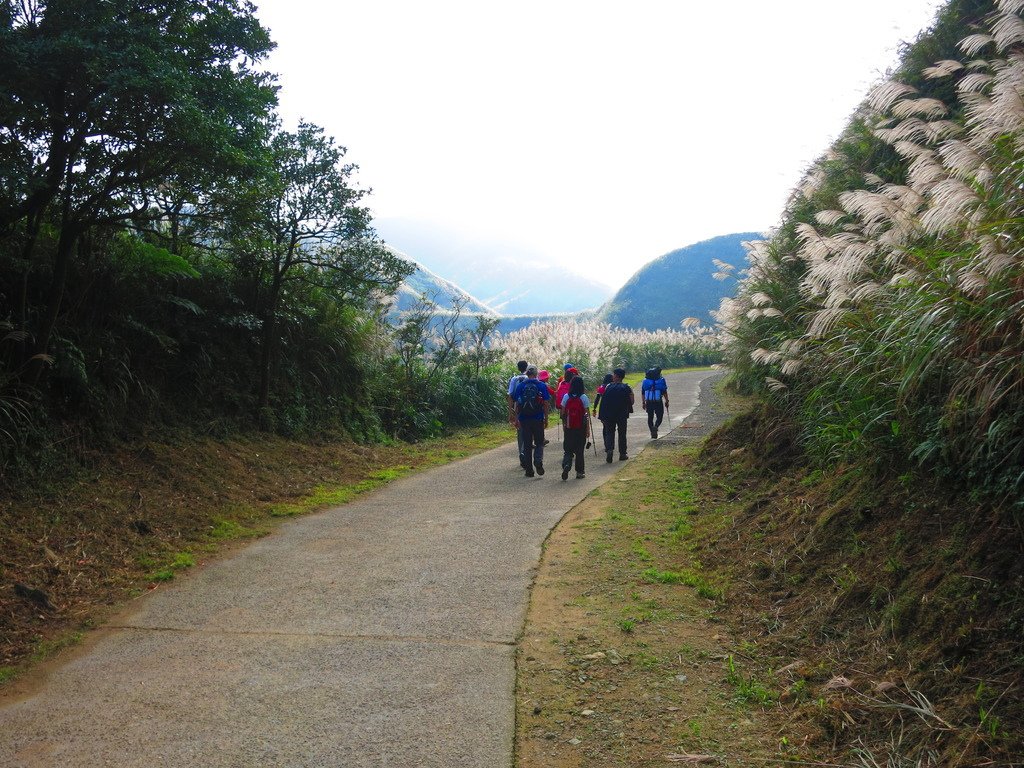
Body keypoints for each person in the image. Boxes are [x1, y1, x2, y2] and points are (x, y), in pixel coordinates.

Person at [513, 365, 551, 477]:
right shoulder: (541, 385)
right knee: (539, 442)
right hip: (537, 418)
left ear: (527, 374)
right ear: (536, 374)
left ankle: (529, 470)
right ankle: (538, 460)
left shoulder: (521, 386)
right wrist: (546, 418)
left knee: (528, 444)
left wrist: (516, 419)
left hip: (524, 419)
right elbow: (546, 403)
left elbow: (517, 403)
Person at [597, 367, 634, 462]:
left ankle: (609, 449)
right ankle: (622, 454)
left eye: (614, 375)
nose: (612, 376)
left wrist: (602, 416)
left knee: (610, 432)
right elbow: (632, 402)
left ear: (616, 376)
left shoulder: (608, 387)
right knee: (622, 433)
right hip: (622, 415)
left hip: (609, 415)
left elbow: (603, 402)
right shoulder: (627, 387)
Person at [560, 376, 591, 480]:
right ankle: (580, 472)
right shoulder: (583, 397)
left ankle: (566, 465)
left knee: (568, 450)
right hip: (580, 428)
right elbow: (586, 415)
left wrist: (564, 425)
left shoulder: (566, 397)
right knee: (579, 451)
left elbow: (563, 413)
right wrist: (587, 430)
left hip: (569, 428)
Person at [507, 360, 529, 466]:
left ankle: (522, 452)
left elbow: (510, 396)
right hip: (531, 409)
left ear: (518, 368)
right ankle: (526, 453)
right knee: (530, 431)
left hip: (518, 408)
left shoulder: (514, 379)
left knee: (520, 432)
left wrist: (510, 412)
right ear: (527, 367)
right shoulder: (530, 377)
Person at [641, 366, 670, 439]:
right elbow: (664, 392)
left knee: (650, 417)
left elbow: (643, 392)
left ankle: (652, 431)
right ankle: (656, 426)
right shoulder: (660, 381)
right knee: (659, 416)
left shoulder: (646, 382)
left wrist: (643, 403)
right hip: (658, 401)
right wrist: (667, 401)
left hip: (649, 402)